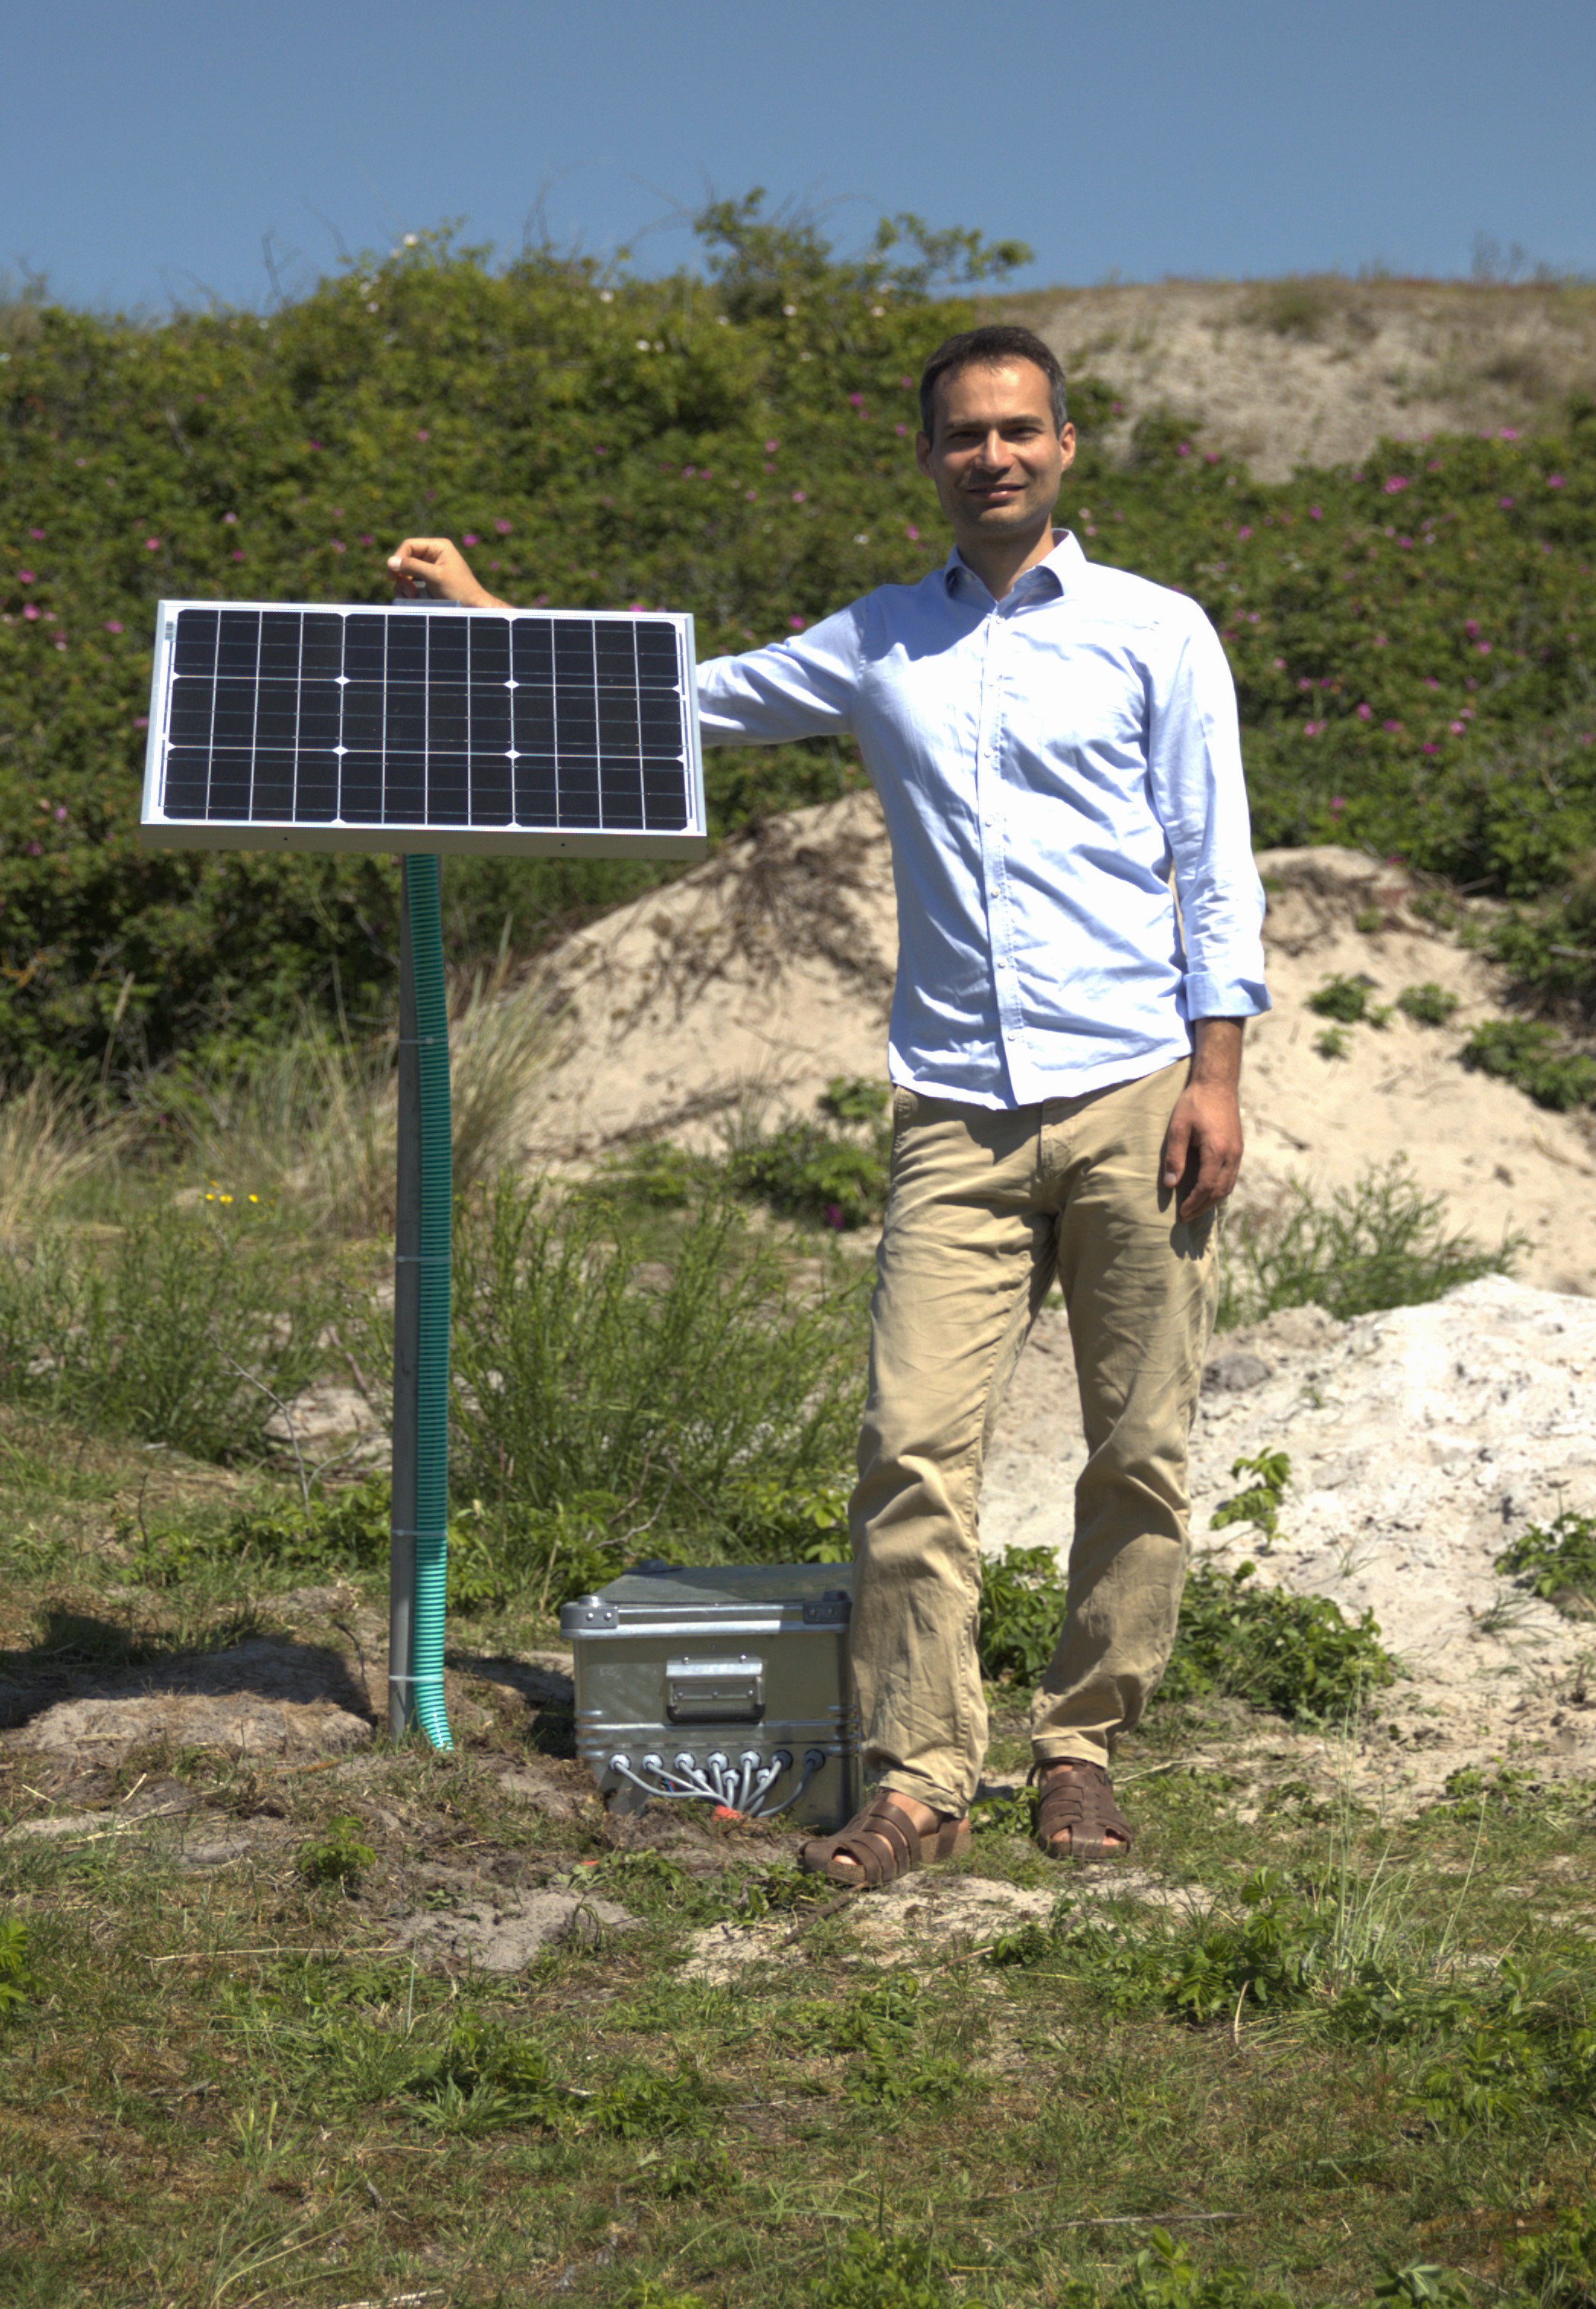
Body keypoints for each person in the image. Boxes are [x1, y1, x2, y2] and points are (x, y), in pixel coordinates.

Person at [387, 322, 1266, 1887]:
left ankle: (1080, 1746)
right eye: (963, 435)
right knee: (909, 1449)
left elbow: (1216, 861)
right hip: (954, 1103)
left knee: (1139, 1446)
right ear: (927, 458)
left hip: (1135, 1085)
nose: (992, 455)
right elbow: (683, 699)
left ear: (1066, 447)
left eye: (1019, 430)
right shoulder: (879, 638)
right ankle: (924, 1777)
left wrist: (1217, 1075)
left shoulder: (1157, 629)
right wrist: (491, 616)